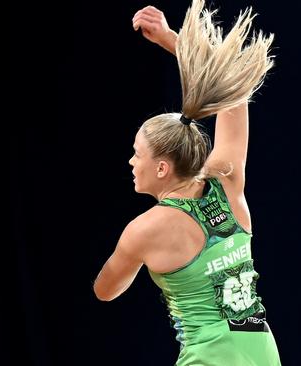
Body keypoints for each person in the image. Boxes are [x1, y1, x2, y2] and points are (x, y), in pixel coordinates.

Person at [93, 1, 281, 365]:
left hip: (209, 357)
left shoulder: (145, 229)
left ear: (162, 168)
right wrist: (171, 39)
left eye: (137, 153)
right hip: (261, 352)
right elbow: (233, 98)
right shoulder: (228, 183)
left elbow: (105, 291)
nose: (131, 161)